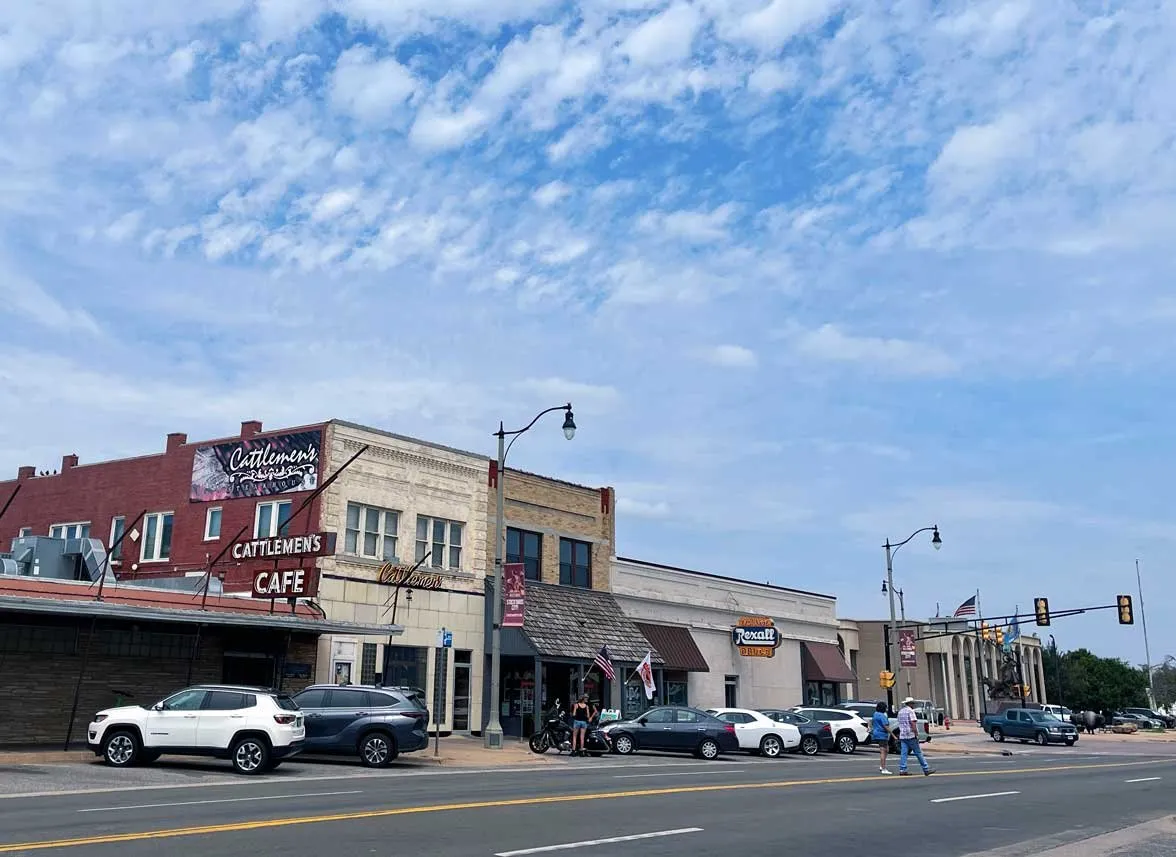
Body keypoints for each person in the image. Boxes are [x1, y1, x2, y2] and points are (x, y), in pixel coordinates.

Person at [897, 697, 934, 777]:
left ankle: (902, 769)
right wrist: (916, 734)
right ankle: (926, 769)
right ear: (910, 703)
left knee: (904, 753)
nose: (913, 705)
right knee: (918, 752)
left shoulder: (900, 712)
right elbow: (913, 723)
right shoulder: (911, 711)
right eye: (912, 703)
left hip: (903, 735)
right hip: (911, 735)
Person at [871, 701, 892, 774]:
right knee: (883, 751)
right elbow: (886, 726)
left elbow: (872, 722)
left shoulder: (875, 714)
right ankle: (883, 768)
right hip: (882, 734)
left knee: (886, 749)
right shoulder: (882, 716)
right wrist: (893, 735)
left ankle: (881, 765)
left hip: (877, 733)